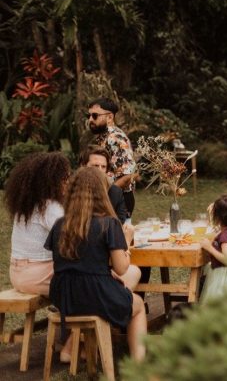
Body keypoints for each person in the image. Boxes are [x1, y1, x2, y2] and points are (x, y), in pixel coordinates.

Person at [45, 167, 146, 363]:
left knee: (119, 289)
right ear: (102, 193)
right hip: (95, 294)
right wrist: (126, 240)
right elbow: (122, 268)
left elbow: (70, 260)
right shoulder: (109, 223)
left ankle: (81, 347)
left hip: (64, 296)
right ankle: (139, 366)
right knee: (139, 305)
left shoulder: (60, 224)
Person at [6, 152, 71, 296]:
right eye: (64, 178)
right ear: (51, 181)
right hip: (37, 276)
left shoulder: (26, 206)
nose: (67, 182)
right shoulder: (50, 207)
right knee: (86, 280)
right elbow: (72, 237)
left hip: (17, 274)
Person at [87, 98, 137, 217]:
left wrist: (105, 195)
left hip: (118, 199)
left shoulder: (115, 138)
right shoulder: (104, 137)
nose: (90, 120)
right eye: (88, 115)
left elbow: (128, 176)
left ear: (109, 117)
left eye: (95, 116)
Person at [80, 146, 128, 223]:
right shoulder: (73, 192)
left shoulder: (115, 193)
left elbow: (120, 223)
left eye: (103, 167)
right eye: (95, 166)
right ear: (83, 166)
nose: (100, 171)